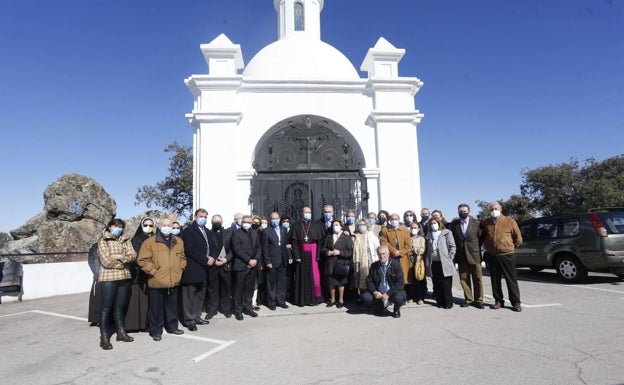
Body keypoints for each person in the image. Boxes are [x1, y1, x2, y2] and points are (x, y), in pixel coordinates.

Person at [138, 217, 187, 341]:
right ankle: (156, 331)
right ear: (159, 227)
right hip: (157, 281)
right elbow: (143, 260)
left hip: (173, 280)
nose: (167, 227)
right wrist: (154, 272)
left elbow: (182, 258)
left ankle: (172, 327)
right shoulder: (150, 242)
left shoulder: (178, 241)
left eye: (169, 225)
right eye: (164, 225)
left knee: (172, 306)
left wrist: (180, 269)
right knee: (156, 308)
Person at [97, 218, 137, 350]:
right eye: (116, 226)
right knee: (106, 307)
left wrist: (119, 257)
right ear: (109, 226)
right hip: (108, 278)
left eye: (121, 226)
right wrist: (123, 259)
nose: (118, 228)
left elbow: (133, 256)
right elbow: (106, 261)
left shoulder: (126, 239)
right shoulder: (103, 239)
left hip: (124, 277)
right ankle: (104, 337)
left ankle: (121, 332)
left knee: (120, 306)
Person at [480, 201, 523, 312]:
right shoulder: (486, 223)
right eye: (491, 209)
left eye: (496, 208)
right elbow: (483, 237)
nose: (494, 211)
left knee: (511, 279)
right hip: (492, 255)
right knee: (495, 280)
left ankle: (516, 302)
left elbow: (518, 238)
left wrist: (509, 247)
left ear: (501, 209)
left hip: (507, 254)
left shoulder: (510, 221)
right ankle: (498, 301)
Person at [181, 209, 215, 331]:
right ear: (195, 217)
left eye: (205, 216)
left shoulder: (208, 232)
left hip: (205, 269)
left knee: (200, 294)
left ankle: (197, 316)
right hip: (193, 267)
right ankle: (189, 320)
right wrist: (205, 259)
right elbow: (189, 249)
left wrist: (213, 258)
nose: (203, 218)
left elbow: (213, 247)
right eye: (201, 216)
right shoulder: (188, 231)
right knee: (189, 295)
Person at [449, 204, 484, 309]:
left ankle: (479, 300)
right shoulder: (454, 224)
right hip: (461, 255)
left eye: (464, 211)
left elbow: (481, 237)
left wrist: (475, 247)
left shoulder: (477, 223)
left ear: (469, 212)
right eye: (460, 211)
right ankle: (468, 299)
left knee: (477, 278)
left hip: (474, 255)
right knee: (464, 279)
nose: (462, 212)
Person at [290, 206, 325, 306]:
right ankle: (302, 299)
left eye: (309, 212)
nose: (308, 214)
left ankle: (316, 299)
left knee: (315, 276)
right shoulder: (296, 225)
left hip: (313, 254)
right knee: (302, 276)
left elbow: (320, 242)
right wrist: (296, 256)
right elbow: (294, 243)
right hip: (301, 254)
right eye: (306, 212)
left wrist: (318, 255)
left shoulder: (316, 225)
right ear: (301, 213)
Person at [360, 245, 405, 318]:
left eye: (383, 254)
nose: (382, 256)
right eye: (379, 254)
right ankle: (379, 305)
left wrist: (388, 293)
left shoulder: (396, 264)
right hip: (379, 292)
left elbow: (400, 283)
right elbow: (369, 280)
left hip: (391, 292)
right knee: (365, 297)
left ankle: (396, 309)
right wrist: (374, 292)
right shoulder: (374, 266)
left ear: (388, 254)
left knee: (399, 298)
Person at [230, 215, 262, 320]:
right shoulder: (236, 233)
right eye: (245, 221)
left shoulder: (254, 233)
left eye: (249, 222)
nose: (246, 223)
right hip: (241, 265)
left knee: (249, 289)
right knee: (239, 290)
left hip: (252, 266)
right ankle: (238, 310)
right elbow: (237, 249)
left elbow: (258, 247)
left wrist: (255, 260)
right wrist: (248, 260)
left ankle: (248, 308)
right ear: (241, 222)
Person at [126, 216, 154, 332]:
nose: (148, 227)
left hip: (152, 274)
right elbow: (138, 257)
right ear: (141, 226)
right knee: (138, 301)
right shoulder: (137, 240)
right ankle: (134, 325)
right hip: (139, 275)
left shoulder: (155, 238)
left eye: (151, 225)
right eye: (146, 225)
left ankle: (146, 323)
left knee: (148, 301)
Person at [320, 219, 354, 308]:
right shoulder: (329, 236)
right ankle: (332, 299)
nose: (335, 226)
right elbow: (323, 249)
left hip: (341, 263)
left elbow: (350, 252)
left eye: (337, 225)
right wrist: (327, 252)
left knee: (340, 283)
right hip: (330, 263)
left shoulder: (346, 237)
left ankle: (341, 300)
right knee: (331, 283)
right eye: (334, 225)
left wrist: (340, 252)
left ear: (341, 226)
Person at [205, 214, 233, 319]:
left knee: (226, 289)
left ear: (222, 222)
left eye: (218, 221)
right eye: (214, 221)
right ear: (211, 222)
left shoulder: (228, 233)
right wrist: (212, 259)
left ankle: (226, 309)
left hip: (225, 265)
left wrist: (226, 259)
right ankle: (212, 310)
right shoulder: (208, 233)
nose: (217, 223)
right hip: (212, 266)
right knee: (212, 289)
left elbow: (231, 249)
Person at [261, 212, 291, 310]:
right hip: (272, 261)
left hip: (283, 260)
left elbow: (286, 245)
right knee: (271, 283)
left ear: (279, 219)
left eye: (276, 218)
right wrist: (267, 261)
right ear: (270, 220)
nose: (275, 220)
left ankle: (281, 301)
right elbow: (264, 248)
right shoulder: (266, 231)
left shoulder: (284, 229)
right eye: (273, 219)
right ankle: (272, 302)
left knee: (282, 282)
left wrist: (289, 257)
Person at [379, 213, 412, 300]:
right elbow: (383, 242)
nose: (394, 221)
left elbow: (408, 245)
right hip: (391, 257)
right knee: (392, 277)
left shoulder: (404, 230)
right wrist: (393, 251)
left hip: (403, 257)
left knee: (403, 277)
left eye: (396, 219)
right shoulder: (385, 230)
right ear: (389, 220)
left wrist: (400, 252)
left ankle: (403, 296)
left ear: (399, 219)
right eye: (392, 219)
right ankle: (392, 296)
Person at [425, 218, 456, 309]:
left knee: (446, 283)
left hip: (444, 261)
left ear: (439, 223)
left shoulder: (446, 232)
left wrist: (450, 257)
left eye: (435, 223)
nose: (433, 224)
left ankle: (448, 303)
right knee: (437, 283)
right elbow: (428, 248)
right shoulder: (429, 234)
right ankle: (440, 302)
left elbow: (452, 246)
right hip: (434, 262)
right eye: (431, 223)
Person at [353, 219, 379, 299]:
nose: (362, 226)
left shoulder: (371, 236)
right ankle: (362, 297)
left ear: (367, 226)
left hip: (369, 262)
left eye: (363, 225)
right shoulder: (355, 236)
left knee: (369, 278)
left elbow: (377, 247)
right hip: (357, 262)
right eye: (360, 225)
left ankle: (372, 297)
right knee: (359, 278)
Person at [409, 221, 427, 305]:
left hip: (418, 262)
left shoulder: (421, 238)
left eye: (415, 228)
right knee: (410, 280)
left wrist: (413, 249)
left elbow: (422, 250)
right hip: (409, 262)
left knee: (419, 279)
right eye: (411, 228)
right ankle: (411, 296)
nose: (413, 229)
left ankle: (420, 297)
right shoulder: (407, 238)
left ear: (419, 229)